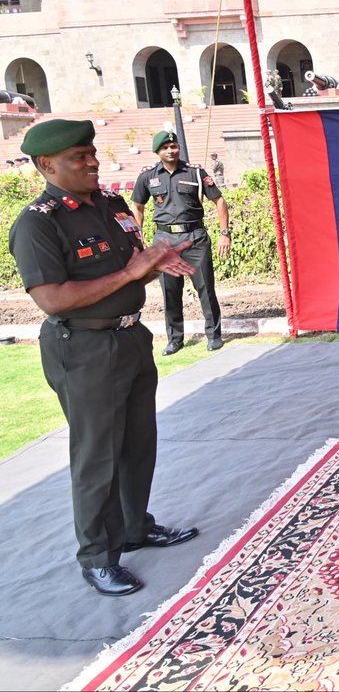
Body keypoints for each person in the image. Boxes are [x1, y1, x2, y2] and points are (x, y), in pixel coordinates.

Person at [8, 119, 200, 596]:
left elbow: (133, 269)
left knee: (138, 444)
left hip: (131, 338)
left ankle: (135, 527)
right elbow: (53, 298)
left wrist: (155, 261)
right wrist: (134, 269)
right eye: (79, 156)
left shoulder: (112, 206)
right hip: (84, 348)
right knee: (97, 457)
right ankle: (97, 556)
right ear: (46, 164)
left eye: (92, 152)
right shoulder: (39, 222)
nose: (93, 161)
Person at [130, 132, 230, 354]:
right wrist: (138, 239)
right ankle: (175, 339)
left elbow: (219, 200)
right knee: (170, 292)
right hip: (165, 242)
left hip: (194, 238)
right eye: (165, 147)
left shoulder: (195, 172)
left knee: (205, 288)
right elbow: (138, 206)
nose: (170, 151)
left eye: (173, 146)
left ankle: (214, 336)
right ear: (157, 152)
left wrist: (225, 233)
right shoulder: (148, 176)